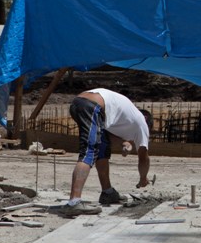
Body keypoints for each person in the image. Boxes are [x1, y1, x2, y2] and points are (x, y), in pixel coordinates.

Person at [62, 88, 152, 217]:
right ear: (146, 119)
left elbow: (106, 136)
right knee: (89, 152)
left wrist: (124, 143)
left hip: (81, 103)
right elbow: (143, 157)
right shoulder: (142, 122)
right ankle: (74, 202)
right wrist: (143, 178)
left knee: (102, 149)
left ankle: (107, 192)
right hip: (92, 106)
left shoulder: (124, 115)